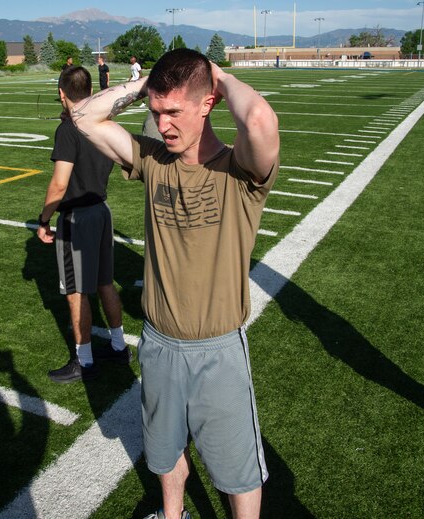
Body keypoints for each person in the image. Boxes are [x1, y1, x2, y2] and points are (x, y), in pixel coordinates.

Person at [71, 49, 280, 519]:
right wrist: (143, 88)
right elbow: (83, 115)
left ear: (208, 105)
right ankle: (173, 516)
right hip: (159, 344)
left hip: (218, 350)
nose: (162, 124)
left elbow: (262, 119)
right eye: (155, 113)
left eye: (173, 112)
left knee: (238, 471)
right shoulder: (153, 160)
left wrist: (219, 80)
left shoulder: (239, 171)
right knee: (164, 456)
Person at [37, 66, 129, 383]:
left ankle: (84, 361)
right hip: (102, 210)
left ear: (63, 94)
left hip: (77, 217)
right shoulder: (103, 122)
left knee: (76, 292)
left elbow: (59, 184)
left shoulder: (68, 129)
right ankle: (119, 347)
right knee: (105, 282)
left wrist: (43, 219)